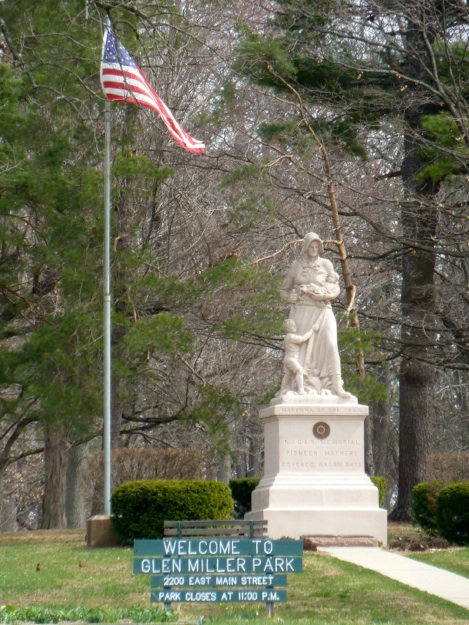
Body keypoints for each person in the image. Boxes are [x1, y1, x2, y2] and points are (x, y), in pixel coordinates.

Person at [279, 232, 351, 398]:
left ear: (320, 248)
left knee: (331, 344)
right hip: (301, 311)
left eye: (316, 246)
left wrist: (321, 293)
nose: (313, 249)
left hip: (322, 310)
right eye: (310, 246)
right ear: (306, 247)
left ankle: (335, 384)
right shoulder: (296, 265)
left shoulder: (326, 265)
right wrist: (288, 296)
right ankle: (303, 385)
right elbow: (284, 289)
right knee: (302, 351)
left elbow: (335, 288)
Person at [280, 319, 315, 396]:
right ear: (288, 328)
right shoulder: (291, 337)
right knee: (299, 371)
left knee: (288, 375)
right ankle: (301, 390)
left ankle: (281, 390)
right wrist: (312, 330)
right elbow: (302, 339)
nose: (295, 327)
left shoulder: (287, 337)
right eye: (293, 326)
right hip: (291, 358)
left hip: (287, 358)